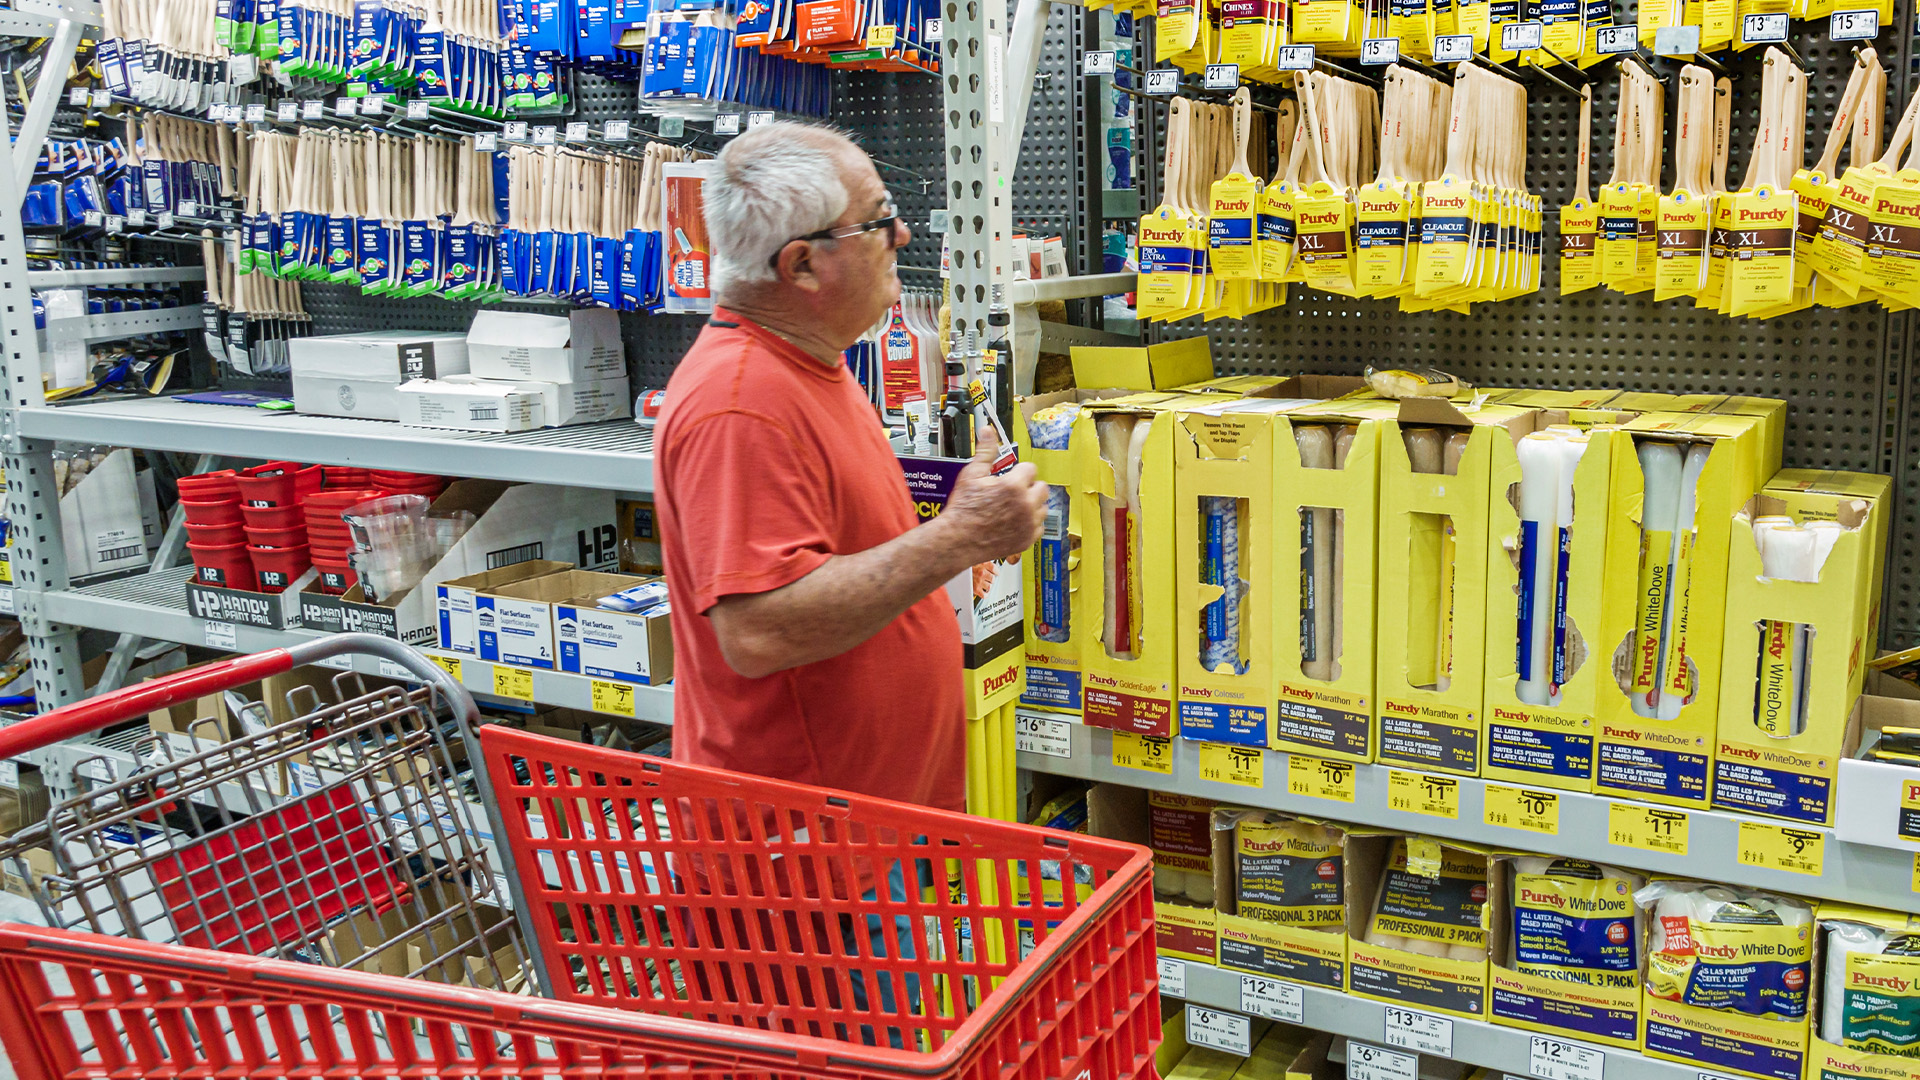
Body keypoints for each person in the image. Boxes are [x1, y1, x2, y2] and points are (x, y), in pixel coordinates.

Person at [654, 121, 1049, 815]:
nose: (899, 235)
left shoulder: (807, 365)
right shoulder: (741, 404)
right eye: (876, 221)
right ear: (801, 264)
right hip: (803, 866)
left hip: (863, 833)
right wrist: (960, 537)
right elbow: (759, 630)